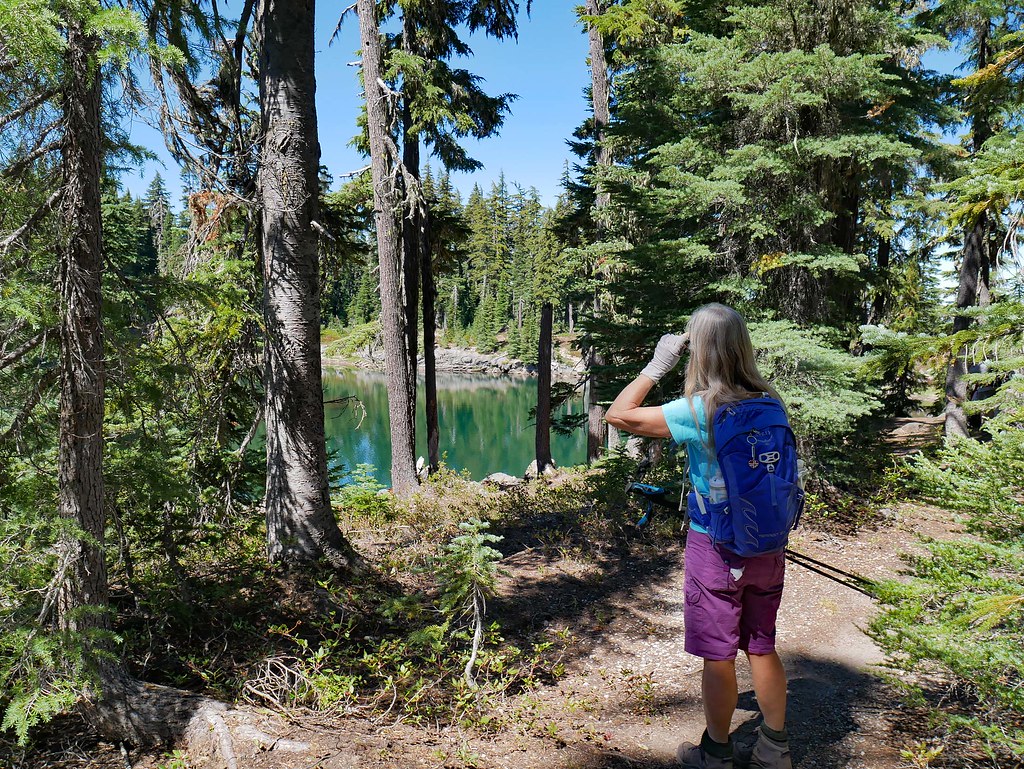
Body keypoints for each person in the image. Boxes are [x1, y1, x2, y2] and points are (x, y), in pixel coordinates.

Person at [605, 303, 792, 769]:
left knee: (718, 652)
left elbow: (618, 415)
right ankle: (774, 749)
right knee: (761, 643)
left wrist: (656, 366)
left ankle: (716, 751)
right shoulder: (770, 401)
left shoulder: (698, 409)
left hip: (716, 545)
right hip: (768, 544)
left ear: (699, 351)